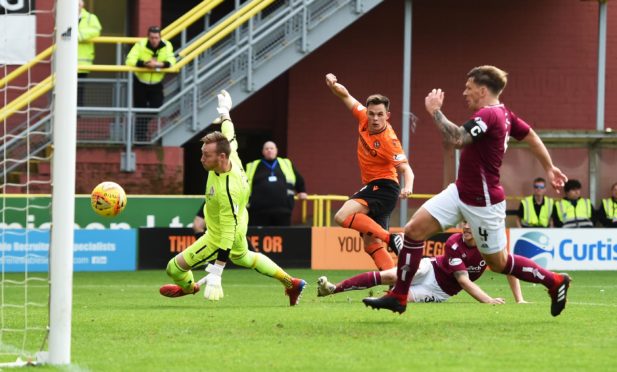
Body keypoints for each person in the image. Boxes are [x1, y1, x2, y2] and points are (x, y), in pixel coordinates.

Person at [363, 65, 571, 317]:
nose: (464, 92)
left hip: (483, 201)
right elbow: (531, 137)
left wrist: (436, 111)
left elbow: (457, 139)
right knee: (413, 230)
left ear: (483, 90)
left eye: (468, 87)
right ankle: (399, 296)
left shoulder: (489, 115)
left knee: (498, 263)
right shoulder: (505, 114)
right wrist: (550, 168)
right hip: (460, 191)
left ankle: (554, 281)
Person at [160, 90, 306, 305]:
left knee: (174, 268)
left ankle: (190, 287)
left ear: (220, 157)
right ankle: (291, 282)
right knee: (245, 256)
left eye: (205, 155)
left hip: (221, 235)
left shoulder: (228, 189)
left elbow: (227, 233)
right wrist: (225, 112)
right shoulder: (230, 152)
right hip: (239, 223)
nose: (201, 159)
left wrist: (217, 272)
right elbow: (228, 131)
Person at [325, 73, 414, 271]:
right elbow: (346, 96)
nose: (374, 118)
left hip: (384, 187)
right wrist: (333, 85)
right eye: (372, 113)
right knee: (371, 244)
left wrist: (408, 187)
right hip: (375, 187)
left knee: (341, 216)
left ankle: (392, 238)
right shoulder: (363, 117)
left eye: (380, 114)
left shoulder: (389, 141)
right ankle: (395, 284)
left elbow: (406, 169)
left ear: (387, 116)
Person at [317, 222, 526, 304]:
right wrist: (488, 300)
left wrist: (519, 299)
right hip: (430, 269)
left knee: (398, 298)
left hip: (440, 292)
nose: (466, 227)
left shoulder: (489, 245)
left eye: (471, 224)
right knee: (391, 275)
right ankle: (333, 290)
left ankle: (376, 300)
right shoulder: (454, 243)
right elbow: (463, 281)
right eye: (464, 223)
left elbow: (509, 268)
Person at [125, 26, 176, 141]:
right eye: (152, 37)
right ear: (148, 37)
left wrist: (160, 64)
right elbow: (129, 60)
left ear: (160, 37)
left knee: (157, 106)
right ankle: (140, 138)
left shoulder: (167, 45)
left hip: (156, 83)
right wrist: (145, 64)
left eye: (156, 38)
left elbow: (172, 60)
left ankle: (140, 130)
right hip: (140, 82)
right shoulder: (140, 45)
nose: (154, 40)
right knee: (140, 109)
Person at [246, 141, 308, 226]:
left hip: (283, 210)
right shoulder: (253, 165)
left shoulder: (286, 163)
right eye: (266, 149)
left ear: (276, 151)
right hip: (258, 212)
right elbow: (243, 184)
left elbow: (299, 179)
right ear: (263, 152)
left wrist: (302, 191)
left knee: (284, 236)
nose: (269, 150)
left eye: (272, 148)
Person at [77, 0, 102, 107]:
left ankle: (78, 112)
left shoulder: (90, 18)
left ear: (82, 4)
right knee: (66, 89)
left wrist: (79, 36)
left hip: (82, 63)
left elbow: (96, 30)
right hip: (67, 63)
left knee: (79, 89)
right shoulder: (65, 16)